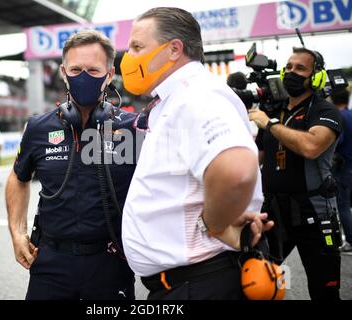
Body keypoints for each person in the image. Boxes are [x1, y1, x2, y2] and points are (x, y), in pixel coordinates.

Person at [120, 7, 272, 300]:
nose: (129, 56)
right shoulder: (175, 98)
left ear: (174, 49)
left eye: (137, 47)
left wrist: (213, 225)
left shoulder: (196, 95)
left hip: (200, 283)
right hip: (190, 282)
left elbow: (236, 169)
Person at [5, 30, 138, 300]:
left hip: (111, 263)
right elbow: (18, 178)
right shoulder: (38, 127)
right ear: (64, 73)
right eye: (76, 70)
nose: (83, 77)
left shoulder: (131, 129)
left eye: (93, 69)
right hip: (50, 262)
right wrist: (18, 233)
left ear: (110, 74)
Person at [249, 48, 343, 299]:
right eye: (288, 67)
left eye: (300, 68)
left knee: (324, 291)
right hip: (274, 212)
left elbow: (311, 147)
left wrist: (269, 124)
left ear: (316, 77)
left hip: (314, 213)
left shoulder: (325, 111)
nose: (291, 73)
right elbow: (254, 158)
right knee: (257, 284)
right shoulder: (275, 111)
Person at [330, 87, 352, 254]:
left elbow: (339, 140)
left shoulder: (338, 117)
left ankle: (350, 240)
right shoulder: (350, 114)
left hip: (342, 165)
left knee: (343, 205)